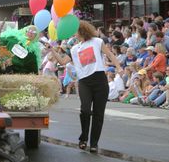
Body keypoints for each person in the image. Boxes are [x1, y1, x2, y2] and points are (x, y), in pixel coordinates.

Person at [49, 20, 122, 153]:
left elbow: (110, 54)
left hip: (100, 80)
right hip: (84, 82)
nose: (74, 34)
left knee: (99, 114)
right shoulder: (74, 48)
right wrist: (52, 50)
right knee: (85, 110)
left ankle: (94, 143)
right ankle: (83, 137)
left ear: (82, 31)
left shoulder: (97, 42)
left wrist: (118, 67)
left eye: (75, 31)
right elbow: (62, 61)